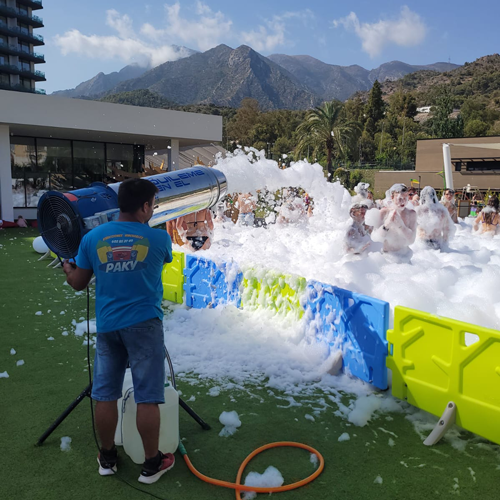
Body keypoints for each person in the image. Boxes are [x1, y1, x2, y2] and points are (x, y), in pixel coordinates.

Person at [63, 178, 175, 484]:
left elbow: (78, 283)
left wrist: (69, 269)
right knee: (148, 397)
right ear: (145, 206)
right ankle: (152, 464)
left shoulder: (92, 238)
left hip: (108, 327)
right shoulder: (159, 238)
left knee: (105, 394)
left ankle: (108, 458)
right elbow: (162, 259)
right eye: (153, 203)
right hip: (145, 326)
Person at [366, 183, 417, 253]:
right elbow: (376, 238)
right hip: (386, 256)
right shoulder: (384, 212)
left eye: (405, 198)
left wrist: (401, 226)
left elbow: (411, 240)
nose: (403, 202)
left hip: (404, 255)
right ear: (392, 197)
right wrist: (386, 225)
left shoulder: (411, 214)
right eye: (400, 199)